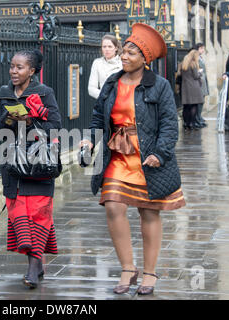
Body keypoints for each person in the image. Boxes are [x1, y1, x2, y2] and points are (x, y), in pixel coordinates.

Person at [80, 23, 186, 295]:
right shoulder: (112, 82)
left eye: (130, 53)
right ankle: (128, 267)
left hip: (146, 156)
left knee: (148, 212)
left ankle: (149, 272)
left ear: (144, 58)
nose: (123, 57)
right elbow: (96, 116)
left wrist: (159, 153)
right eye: (123, 52)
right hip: (118, 153)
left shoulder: (159, 86)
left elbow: (169, 124)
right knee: (113, 205)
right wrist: (91, 139)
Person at [0, 49, 62, 289]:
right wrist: (10, 118)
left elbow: (55, 125)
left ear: (32, 71)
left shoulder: (44, 93)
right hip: (13, 165)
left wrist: (31, 121)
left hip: (40, 163)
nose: (13, 71)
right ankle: (37, 262)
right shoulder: (3, 95)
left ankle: (33, 267)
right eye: (12, 66)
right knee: (19, 213)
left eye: (19, 67)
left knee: (39, 214)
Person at [88, 34, 123, 99]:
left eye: (110, 46)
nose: (107, 49)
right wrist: (105, 97)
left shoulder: (123, 63)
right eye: (104, 47)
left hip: (121, 102)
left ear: (116, 48)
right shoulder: (97, 63)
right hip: (104, 102)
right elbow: (91, 88)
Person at [180, 49, 204, 130]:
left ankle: (186, 123)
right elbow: (196, 76)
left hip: (185, 87)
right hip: (194, 87)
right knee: (194, 106)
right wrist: (200, 72)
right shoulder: (193, 64)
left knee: (186, 107)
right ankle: (192, 124)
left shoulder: (183, 64)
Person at [193, 43, 209, 128]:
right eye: (202, 48)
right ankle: (197, 118)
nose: (203, 50)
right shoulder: (196, 58)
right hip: (199, 80)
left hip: (203, 80)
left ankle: (199, 117)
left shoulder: (200, 58)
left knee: (202, 100)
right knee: (199, 101)